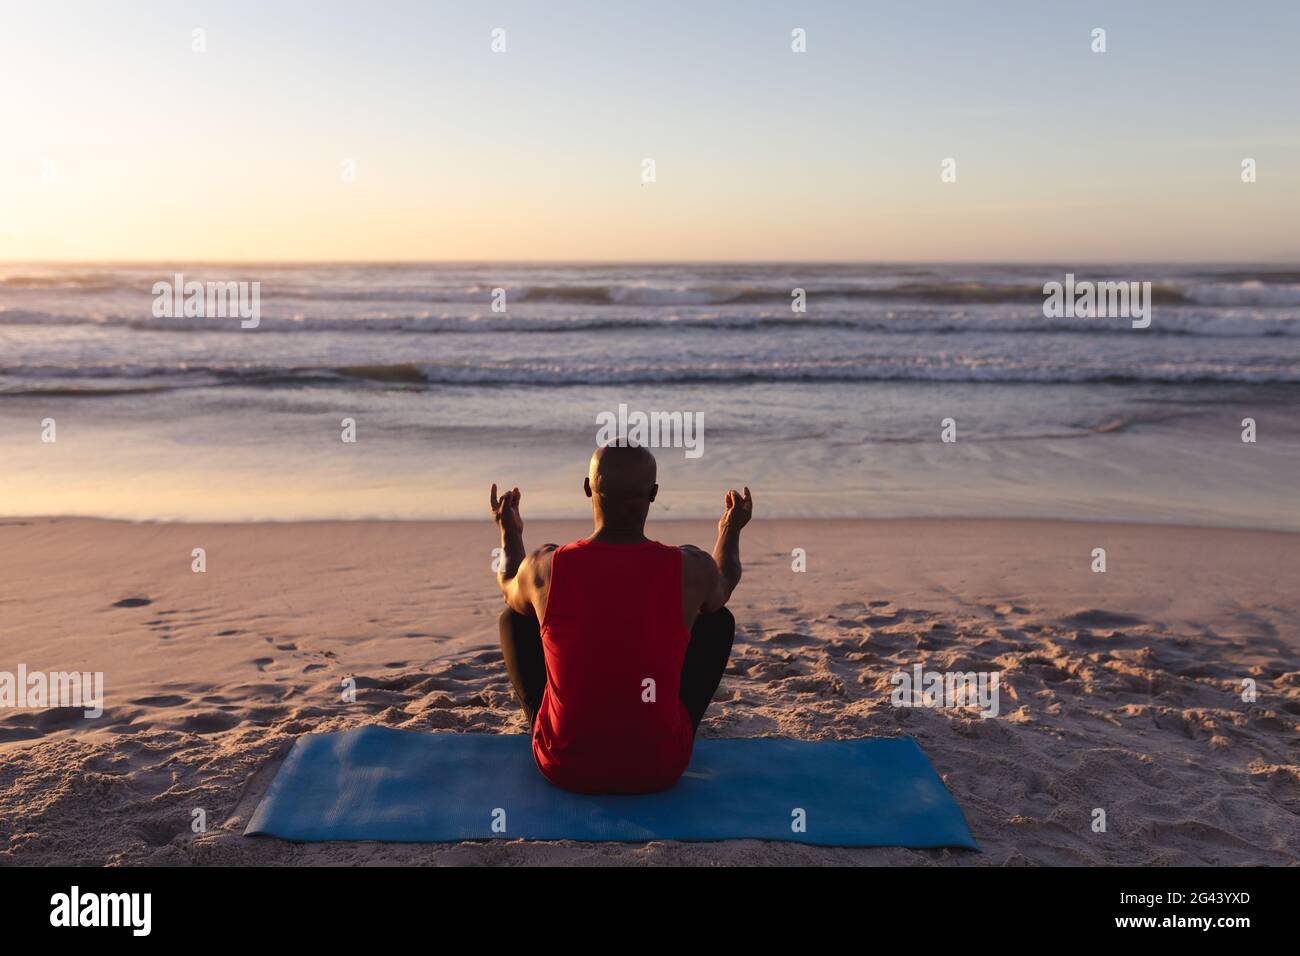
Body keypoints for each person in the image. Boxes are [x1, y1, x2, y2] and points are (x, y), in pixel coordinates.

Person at [491, 444, 751, 794]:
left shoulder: (547, 566)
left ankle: (547, 728)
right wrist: (730, 529)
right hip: (660, 767)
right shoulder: (688, 567)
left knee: (515, 617)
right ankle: (668, 730)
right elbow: (726, 578)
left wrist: (509, 531)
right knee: (717, 619)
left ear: (587, 488)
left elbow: (508, 584)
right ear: (654, 494)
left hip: (564, 767)